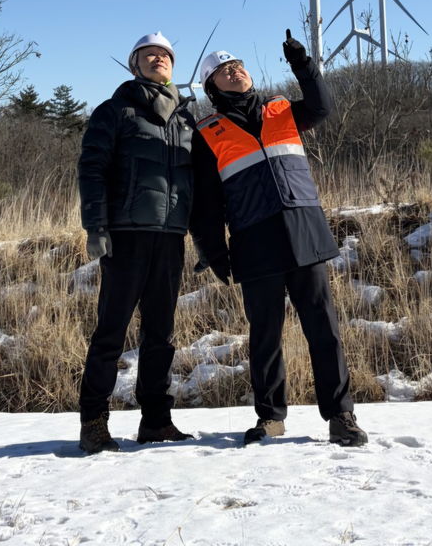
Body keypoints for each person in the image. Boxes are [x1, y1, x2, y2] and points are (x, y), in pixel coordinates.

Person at [190, 30, 368, 447]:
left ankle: (341, 416)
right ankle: (270, 417)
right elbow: (206, 203)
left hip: (304, 232)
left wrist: (303, 65)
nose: (236, 71)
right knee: (265, 335)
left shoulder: (280, 110)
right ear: (212, 86)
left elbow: (323, 106)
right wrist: (213, 250)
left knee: (324, 329)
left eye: (238, 65)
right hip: (254, 242)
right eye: (225, 70)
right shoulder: (208, 132)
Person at [77, 32, 197, 454]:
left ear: (172, 65)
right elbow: (91, 169)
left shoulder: (186, 119)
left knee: (161, 334)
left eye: (164, 55)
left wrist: (204, 239)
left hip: (170, 239)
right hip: (125, 236)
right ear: (135, 65)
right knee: (111, 332)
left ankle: (156, 421)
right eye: (149, 55)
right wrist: (96, 227)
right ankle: (93, 421)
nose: (158, 59)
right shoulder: (115, 111)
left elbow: (197, 183)